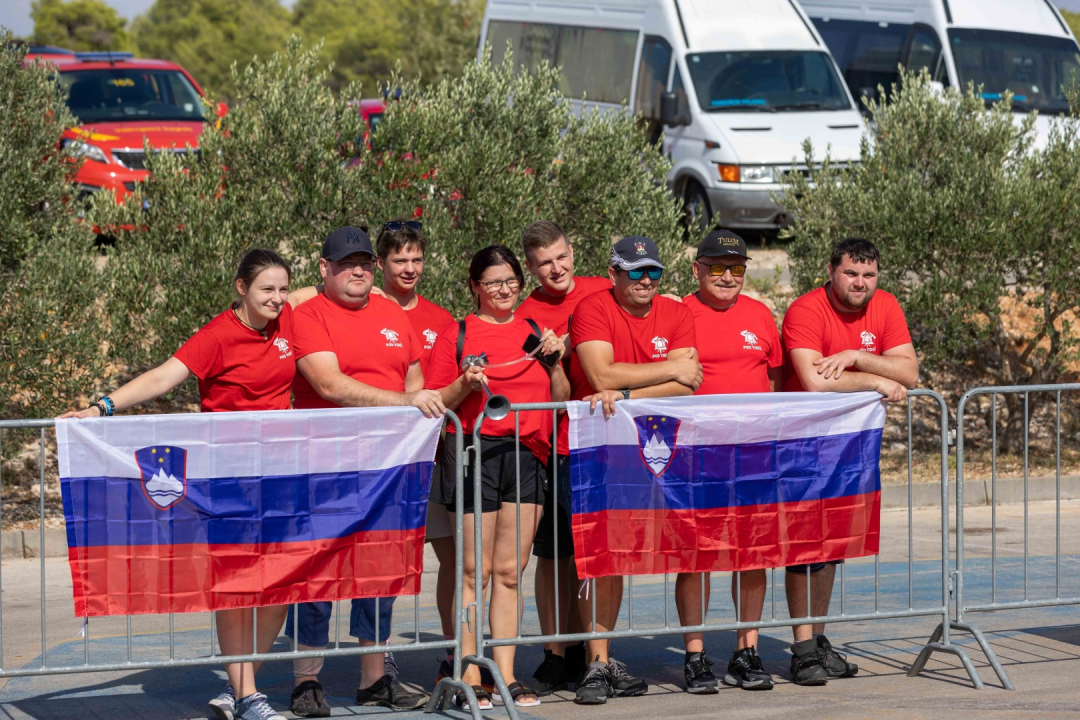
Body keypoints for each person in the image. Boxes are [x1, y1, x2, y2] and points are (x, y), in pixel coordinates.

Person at [59, 249, 300, 720]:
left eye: (283, 289)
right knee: (235, 588)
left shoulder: (288, 316)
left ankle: (238, 685)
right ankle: (248, 695)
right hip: (227, 479)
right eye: (266, 289)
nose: (276, 298)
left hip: (278, 475)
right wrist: (101, 408)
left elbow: (321, 293)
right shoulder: (217, 336)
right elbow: (163, 376)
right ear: (241, 288)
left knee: (280, 592)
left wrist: (371, 285)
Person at [284, 226, 444, 716]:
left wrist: (412, 403)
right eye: (345, 262)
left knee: (379, 572)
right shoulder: (307, 315)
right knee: (317, 573)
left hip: (387, 466)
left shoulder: (393, 312)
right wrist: (405, 402)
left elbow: (415, 380)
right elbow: (329, 384)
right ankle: (306, 680)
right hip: (324, 466)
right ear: (324, 268)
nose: (357, 270)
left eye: (364, 262)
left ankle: (374, 678)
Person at [425, 245, 569, 711]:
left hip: (526, 456)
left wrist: (555, 362)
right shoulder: (458, 333)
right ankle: (470, 674)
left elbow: (560, 396)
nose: (504, 290)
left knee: (510, 572)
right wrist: (465, 383)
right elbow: (436, 399)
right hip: (474, 454)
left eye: (511, 281)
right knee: (474, 573)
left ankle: (504, 674)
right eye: (493, 282)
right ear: (475, 287)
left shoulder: (534, 333)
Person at [569, 235, 703, 706]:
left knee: (688, 548)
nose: (646, 280)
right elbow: (601, 375)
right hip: (605, 446)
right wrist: (665, 370)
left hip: (663, 444)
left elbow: (690, 383)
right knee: (604, 554)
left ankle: (694, 656)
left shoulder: (677, 313)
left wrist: (626, 393)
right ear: (614, 274)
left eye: (654, 272)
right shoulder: (592, 308)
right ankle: (597, 664)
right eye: (636, 272)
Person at [781, 236, 918, 686]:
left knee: (832, 548)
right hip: (800, 443)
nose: (860, 282)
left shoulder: (886, 305)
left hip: (848, 446)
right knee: (804, 547)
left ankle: (818, 639)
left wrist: (857, 357)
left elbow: (909, 373)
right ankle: (802, 649)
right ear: (831, 271)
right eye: (851, 273)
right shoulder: (805, 310)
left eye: (868, 275)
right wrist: (876, 380)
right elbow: (815, 381)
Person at [672, 230, 783, 693]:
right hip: (697, 456)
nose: (727, 276)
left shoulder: (760, 314)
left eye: (736, 268)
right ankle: (695, 656)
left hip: (753, 456)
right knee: (695, 556)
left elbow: (774, 380)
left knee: (752, 554)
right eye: (716, 267)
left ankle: (746, 652)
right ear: (696, 269)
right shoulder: (677, 314)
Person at [514, 220, 611, 695]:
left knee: (593, 554)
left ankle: (592, 653)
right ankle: (556, 652)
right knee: (554, 555)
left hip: (604, 442)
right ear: (531, 269)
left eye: (561, 257)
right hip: (552, 445)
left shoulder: (604, 293)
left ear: (573, 252)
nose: (556, 268)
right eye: (544, 263)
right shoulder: (525, 313)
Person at [373, 219, 459, 685]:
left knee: (457, 560)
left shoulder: (442, 319)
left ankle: (453, 651)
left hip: (436, 458)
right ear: (380, 263)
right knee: (384, 563)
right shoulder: (363, 309)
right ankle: (380, 655)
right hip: (386, 460)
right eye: (399, 259)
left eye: (417, 259)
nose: (409, 268)